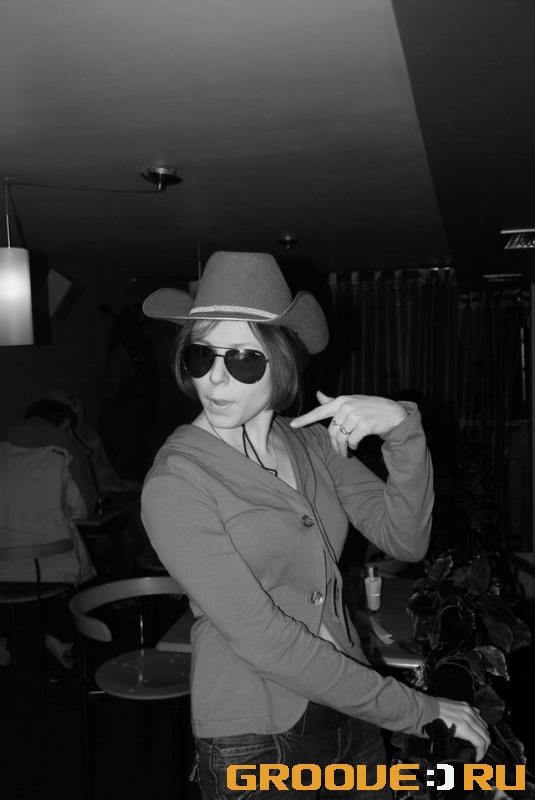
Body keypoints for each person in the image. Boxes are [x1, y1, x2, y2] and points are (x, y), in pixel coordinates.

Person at [141, 251, 490, 799]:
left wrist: (402, 430)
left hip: (349, 711)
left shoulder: (309, 442)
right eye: (200, 355)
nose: (216, 377)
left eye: (243, 359)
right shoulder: (176, 482)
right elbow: (266, 640)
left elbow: (405, 538)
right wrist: (417, 710)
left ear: (282, 361)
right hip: (255, 739)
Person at [0, 399, 96, 668]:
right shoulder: (63, 453)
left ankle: (5, 638)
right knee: (66, 561)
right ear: (64, 424)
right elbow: (82, 510)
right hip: (50, 567)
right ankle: (60, 636)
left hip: (2, 567)